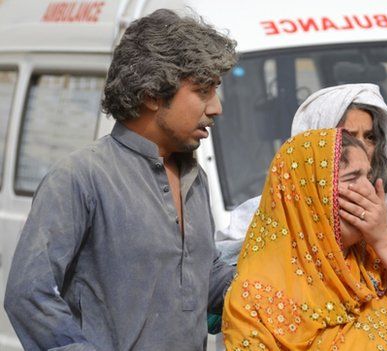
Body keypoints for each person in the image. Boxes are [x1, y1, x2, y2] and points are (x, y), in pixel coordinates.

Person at [4, 9, 237, 350]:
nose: (216, 107)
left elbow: (204, 279)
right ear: (152, 94)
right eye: (202, 91)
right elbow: (29, 295)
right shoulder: (80, 178)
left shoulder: (193, 177)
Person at [222, 129, 387, 350]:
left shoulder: (377, 264)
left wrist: (385, 239)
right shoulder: (253, 297)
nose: (368, 190)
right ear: (309, 197)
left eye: (368, 176)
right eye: (352, 178)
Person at [217, 84, 387, 267]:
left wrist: (383, 239)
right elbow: (215, 307)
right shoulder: (271, 216)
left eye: (370, 137)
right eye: (348, 137)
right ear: (314, 146)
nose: (362, 147)